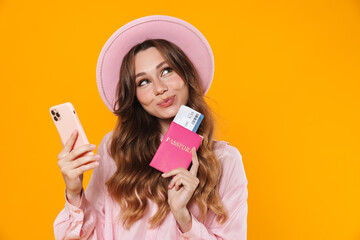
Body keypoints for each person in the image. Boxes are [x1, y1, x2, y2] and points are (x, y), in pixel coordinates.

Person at [54, 15, 248, 240]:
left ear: (186, 74)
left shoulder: (225, 161)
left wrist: (185, 219)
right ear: (134, 95)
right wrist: (74, 192)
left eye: (166, 71)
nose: (160, 88)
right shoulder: (115, 150)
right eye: (143, 82)